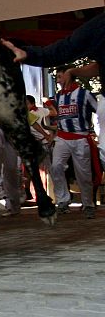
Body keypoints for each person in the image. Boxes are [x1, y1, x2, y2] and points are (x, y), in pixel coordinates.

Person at [50, 66, 98, 218]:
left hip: (80, 138)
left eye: (59, 76)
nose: (57, 80)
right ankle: (63, 200)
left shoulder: (85, 94)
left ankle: (88, 204)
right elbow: (60, 118)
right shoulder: (58, 97)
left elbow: (99, 111)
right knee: (56, 166)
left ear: (69, 75)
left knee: (83, 174)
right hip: (62, 137)